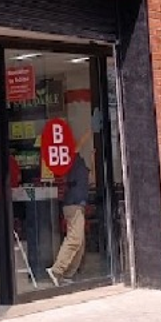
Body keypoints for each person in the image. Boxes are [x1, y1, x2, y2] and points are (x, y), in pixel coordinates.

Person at [46, 108, 101, 287]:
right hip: (73, 204)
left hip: (78, 203)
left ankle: (68, 274)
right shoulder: (73, 158)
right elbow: (78, 146)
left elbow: (91, 178)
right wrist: (90, 131)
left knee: (80, 241)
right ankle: (57, 270)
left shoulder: (82, 164)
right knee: (75, 239)